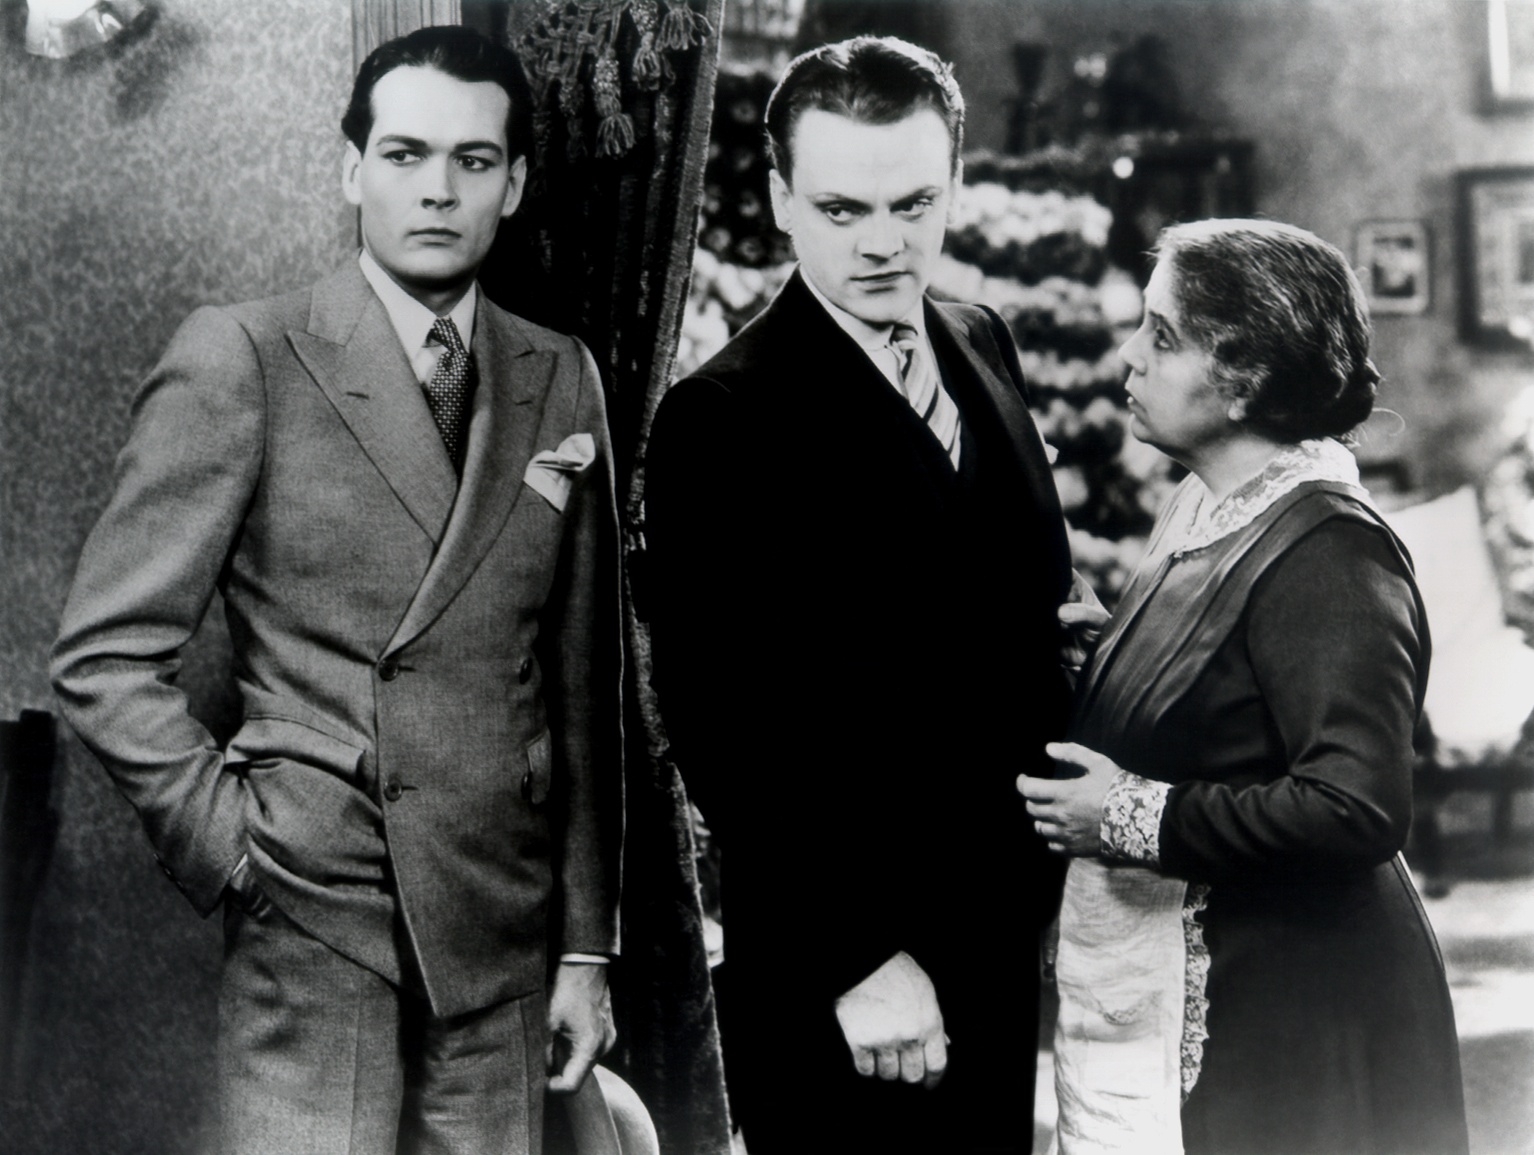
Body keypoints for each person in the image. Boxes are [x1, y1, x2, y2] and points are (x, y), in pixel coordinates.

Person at [50, 27, 622, 1155]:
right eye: (404, 154)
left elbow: (584, 687)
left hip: (501, 938)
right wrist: (234, 847)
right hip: (314, 921)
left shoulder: (559, 374)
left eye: (472, 160)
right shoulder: (246, 357)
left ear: (512, 185)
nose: (437, 190)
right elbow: (103, 658)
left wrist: (584, 946)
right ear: (352, 169)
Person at [644, 36, 1074, 1154]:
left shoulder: (980, 337)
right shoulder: (722, 418)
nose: (884, 243)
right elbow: (723, 725)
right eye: (842, 210)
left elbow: (1001, 598)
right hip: (848, 977)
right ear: (781, 200)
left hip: (997, 937)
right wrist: (858, 958)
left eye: (913, 204)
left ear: (955, 183)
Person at [1020, 219, 1470, 1155]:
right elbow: (1234, 692)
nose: (1130, 356)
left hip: (1292, 1020)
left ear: (1246, 380)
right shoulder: (1209, 502)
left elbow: (1356, 805)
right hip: (1233, 987)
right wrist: (1119, 658)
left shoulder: (1330, 547)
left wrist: (1128, 816)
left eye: (1163, 335)